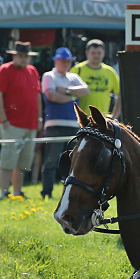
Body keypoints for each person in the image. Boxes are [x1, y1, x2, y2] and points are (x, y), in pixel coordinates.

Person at [0, 41, 42, 199]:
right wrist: (4, 120)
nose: (23, 59)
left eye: (26, 56)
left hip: (30, 123)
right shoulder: (5, 70)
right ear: (14, 55)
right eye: (20, 56)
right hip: (11, 124)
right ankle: (4, 192)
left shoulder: (33, 71)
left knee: (23, 162)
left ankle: (17, 192)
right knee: (8, 159)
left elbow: (37, 96)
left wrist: (39, 118)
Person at [40, 47, 89, 199]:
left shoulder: (73, 77)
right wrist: (73, 96)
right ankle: (46, 192)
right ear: (56, 61)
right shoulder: (49, 76)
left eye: (68, 61)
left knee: (75, 162)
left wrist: (66, 91)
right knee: (51, 161)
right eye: (63, 60)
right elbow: (52, 96)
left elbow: (86, 91)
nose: (66, 64)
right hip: (55, 124)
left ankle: (71, 192)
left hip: (74, 125)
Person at [70, 39, 120, 118]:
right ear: (87, 53)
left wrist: (115, 115)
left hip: (102, 120)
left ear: (103, 53)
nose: (96, 56)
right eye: (93, 53)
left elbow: (120, 94)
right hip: (81, 119)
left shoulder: (110, 72)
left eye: (99, 53)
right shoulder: (77, 69)